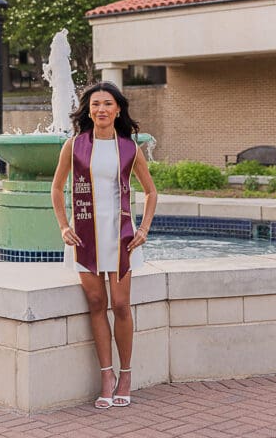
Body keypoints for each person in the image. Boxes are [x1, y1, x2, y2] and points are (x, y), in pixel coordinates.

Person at [50, 81, 158, 409]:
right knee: (97, 304)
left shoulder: (129, 148)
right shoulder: (74, 146)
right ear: (88, 110)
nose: (101, 109)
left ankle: (126, 374)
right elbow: (56, 189)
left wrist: (143, 229)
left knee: (121, 305)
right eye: (95, 104)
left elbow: (151, 192)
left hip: (121, 235)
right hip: (85, 236)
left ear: (118, 109)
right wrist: (64, 226)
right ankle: (106, 376)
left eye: (107, 103)